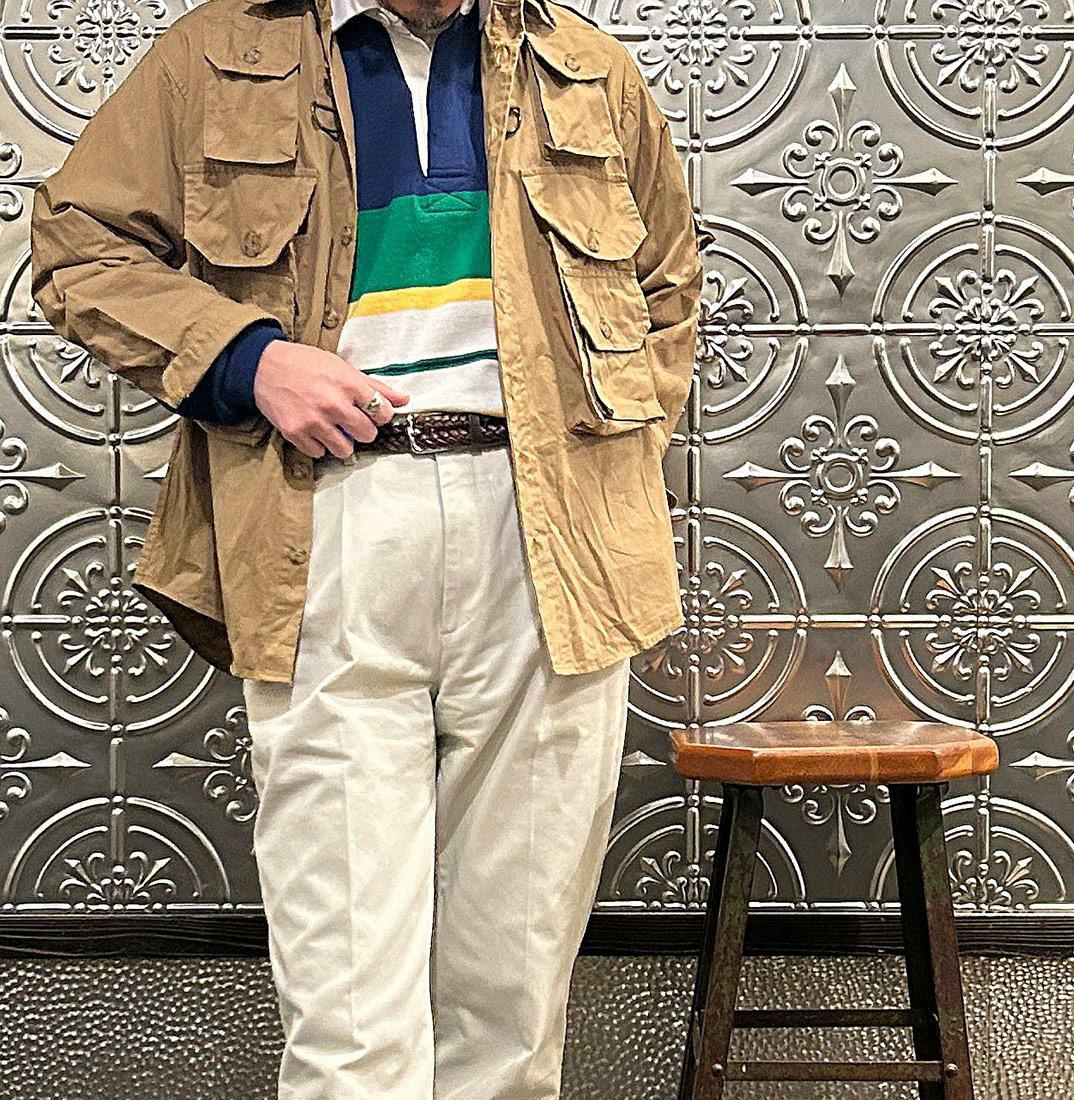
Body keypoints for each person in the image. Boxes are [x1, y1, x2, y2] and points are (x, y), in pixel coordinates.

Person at [29, 0, 704, 1094]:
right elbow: (78, 247)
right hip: (325, 518)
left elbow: (667, 289)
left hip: (554, 541)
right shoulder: (214, 52)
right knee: (349, 1020)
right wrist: (248, 361)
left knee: (514, 1007)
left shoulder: (584, 65)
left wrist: (600, 468)